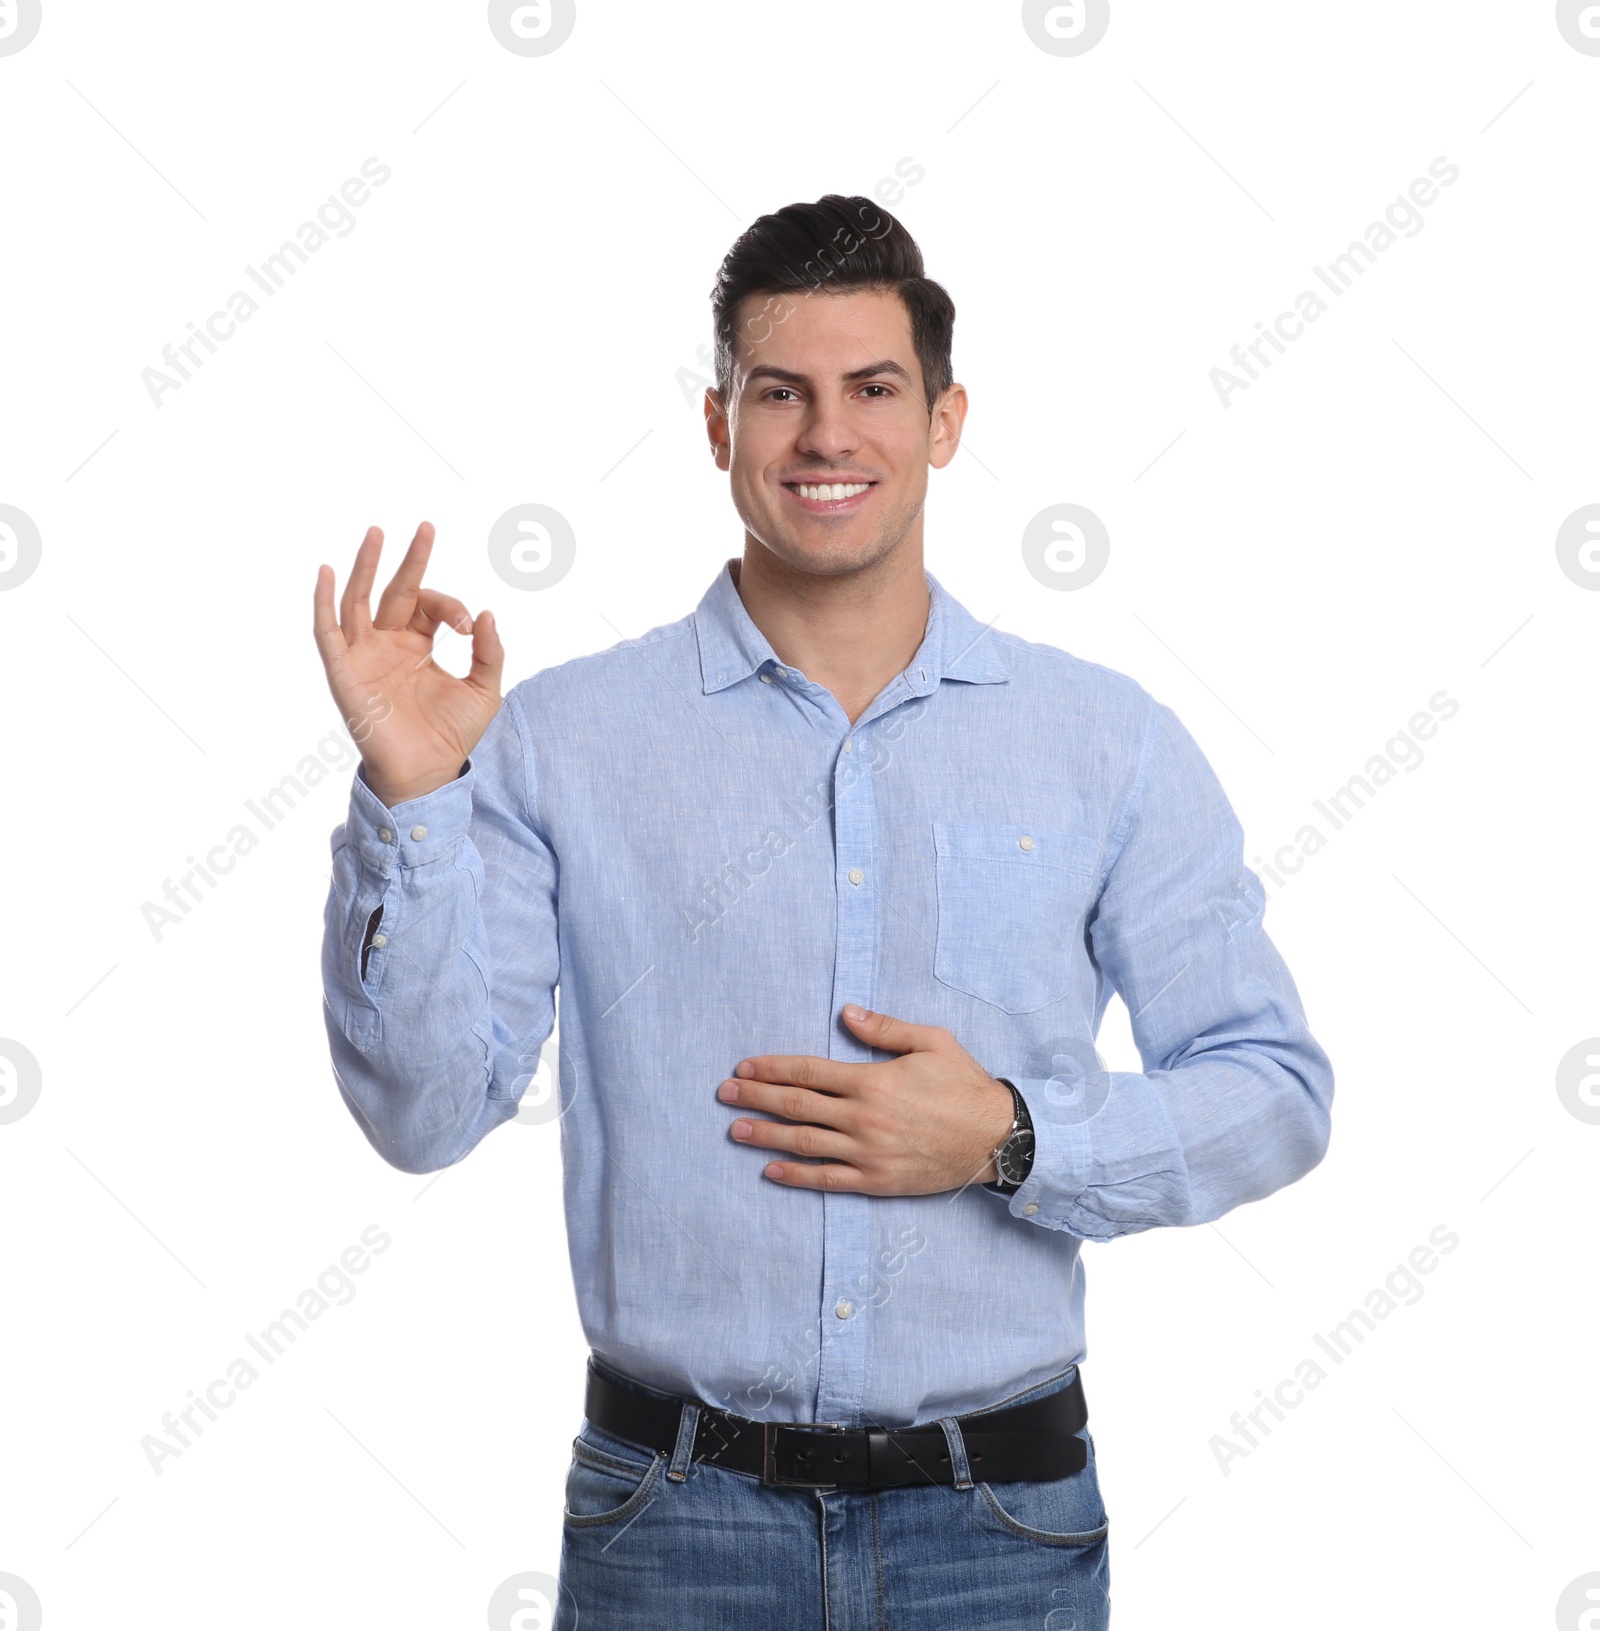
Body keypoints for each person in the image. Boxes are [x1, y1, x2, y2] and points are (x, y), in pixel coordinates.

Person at [313, 193, 1333, 1629]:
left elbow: (1272, 1093)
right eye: (778, 394)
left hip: (1000, 1535)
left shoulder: (1106, 742)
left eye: (873, 391)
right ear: (718, 424)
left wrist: (1013, 1136)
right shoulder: (563, 739)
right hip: (672, 1527)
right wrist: (413, 796)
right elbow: (422, 1117)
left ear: (946, 420)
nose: (827, 437)